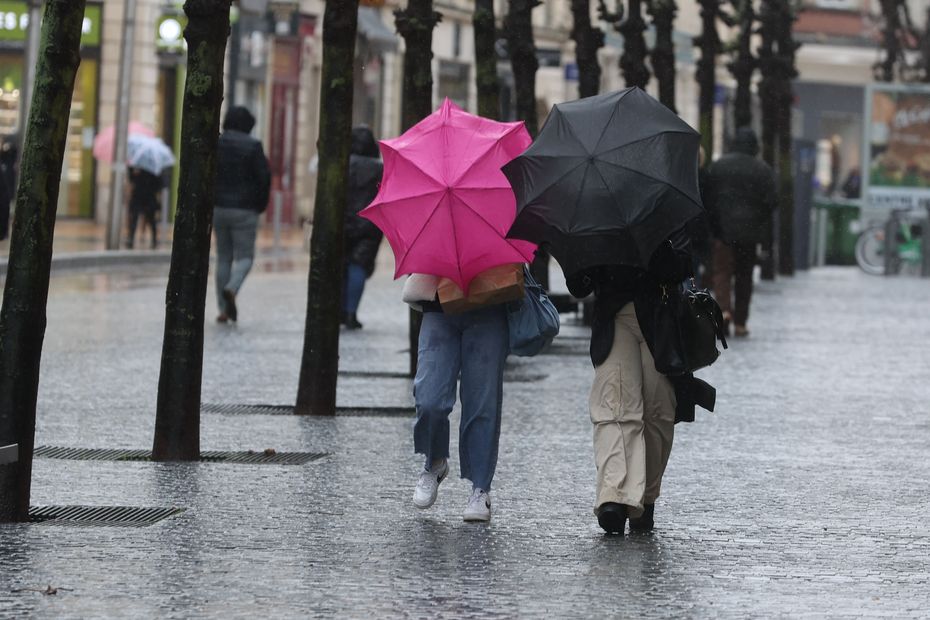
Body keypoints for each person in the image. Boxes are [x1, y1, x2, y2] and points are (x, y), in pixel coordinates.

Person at [567, 229, 716, 535]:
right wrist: (590, 257)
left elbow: (684, 264)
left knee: (657, 409)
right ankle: (614, 495)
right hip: (613, 317)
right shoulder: (596, 213)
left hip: (660, 318)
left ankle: (645, 498)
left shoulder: (670, 210)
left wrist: (652, 246)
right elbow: (578, 285)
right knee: (614, 404)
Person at [401, 272, 512, 522]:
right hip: (438, 303)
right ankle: (435, 461)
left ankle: (480, 488)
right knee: (429, 398)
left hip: (490, 301)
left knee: (482, 402)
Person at [704, 127, 776, 338]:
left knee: (722, 273)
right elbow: (772, 202)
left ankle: (724, 310)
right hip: (750, 234)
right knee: (745, 276)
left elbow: (708, 198)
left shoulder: (718, 167)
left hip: (723, 231)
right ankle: (741, 322)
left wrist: (713, 225)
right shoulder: (763, 170)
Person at [213, 106, 271, 324]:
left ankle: (223, 309)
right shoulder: (254, 146)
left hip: (219, 208)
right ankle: (232, 288)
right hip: (245, 209)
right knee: (245, 257)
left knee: (223, 257)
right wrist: (260, 205)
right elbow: (263, 178)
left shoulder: (217, 143)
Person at [342, 126, 384, 329]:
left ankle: (339, 309)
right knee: (358, 266)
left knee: (341, 266)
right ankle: (351, 313)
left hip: (343, 222)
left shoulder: (342, 163)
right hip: (370, 225)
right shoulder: (379, 168)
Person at [127, 167, 163, 249]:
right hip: (138, 196)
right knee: (134, 218)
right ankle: (131, 239)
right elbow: (131, 179)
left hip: (149, 197)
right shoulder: (136, 167)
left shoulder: (155, 169)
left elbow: (159, 183)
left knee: (151, 220)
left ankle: (154, 240)